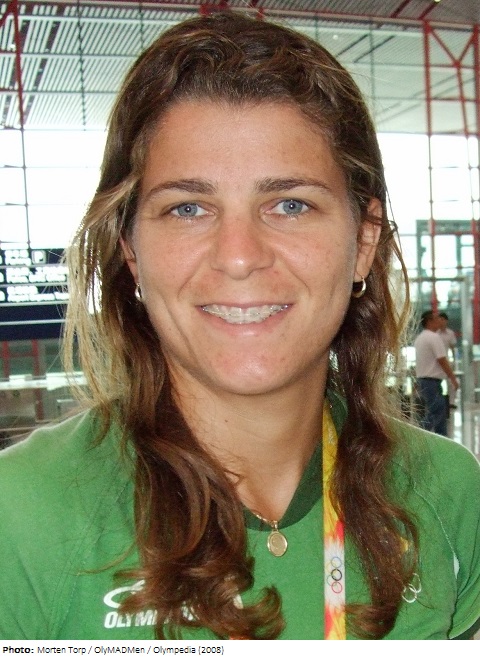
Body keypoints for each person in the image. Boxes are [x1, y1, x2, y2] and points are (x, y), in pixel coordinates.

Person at [0, 12, 479, 641]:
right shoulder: (20, 517)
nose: (239, 256)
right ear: (131, 250)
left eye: (290, 204)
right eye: (188, 208)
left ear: (364, 242)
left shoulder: (448, 494)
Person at [414, 310, 459, 436]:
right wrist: (453, 378)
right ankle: (418, 436)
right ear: (429, 321)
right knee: (437, 411)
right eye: (436, 318)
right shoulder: (434, 337)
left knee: (440, 414)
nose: (439, 320)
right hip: (431, 382)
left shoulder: (420, 338)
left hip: (425, 380)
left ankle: (442, 438)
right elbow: (442, 360)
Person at [437, 311, 458, 408]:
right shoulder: (435, 334)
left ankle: (451, 402)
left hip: (446, 360)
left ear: (446, 321)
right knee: (438, 382)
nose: (440, 322)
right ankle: (439, 401)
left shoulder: (450, 333)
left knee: (451, 382)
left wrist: (454, 360)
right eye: (439, 320)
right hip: (437, 361)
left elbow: (452, 347)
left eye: (442, 320)